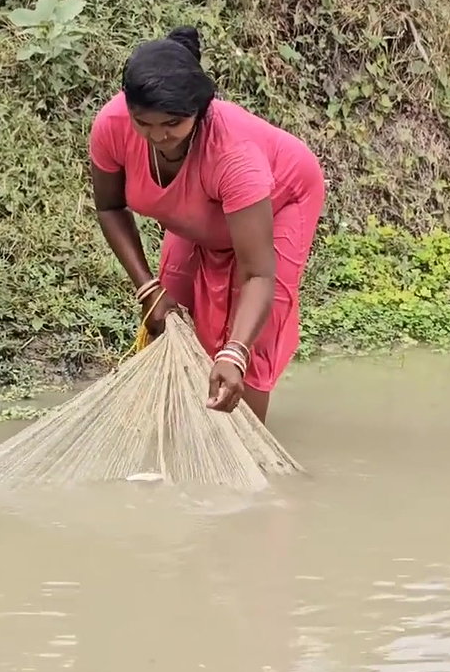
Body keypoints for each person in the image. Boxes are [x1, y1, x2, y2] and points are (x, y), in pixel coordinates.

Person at [86, 25, 327, 424]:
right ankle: (178, 430)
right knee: (170, 315)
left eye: (172, 124)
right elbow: (109, 207)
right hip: (197, 212)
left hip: (283, 197)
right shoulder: (113, 126)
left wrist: (234, 352)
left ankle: (243, 450)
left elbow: (258, 275)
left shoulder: (233, 155)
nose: (158, 136)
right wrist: (148, 288)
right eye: (144, 123)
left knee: (252, 338)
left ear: (198, 113)